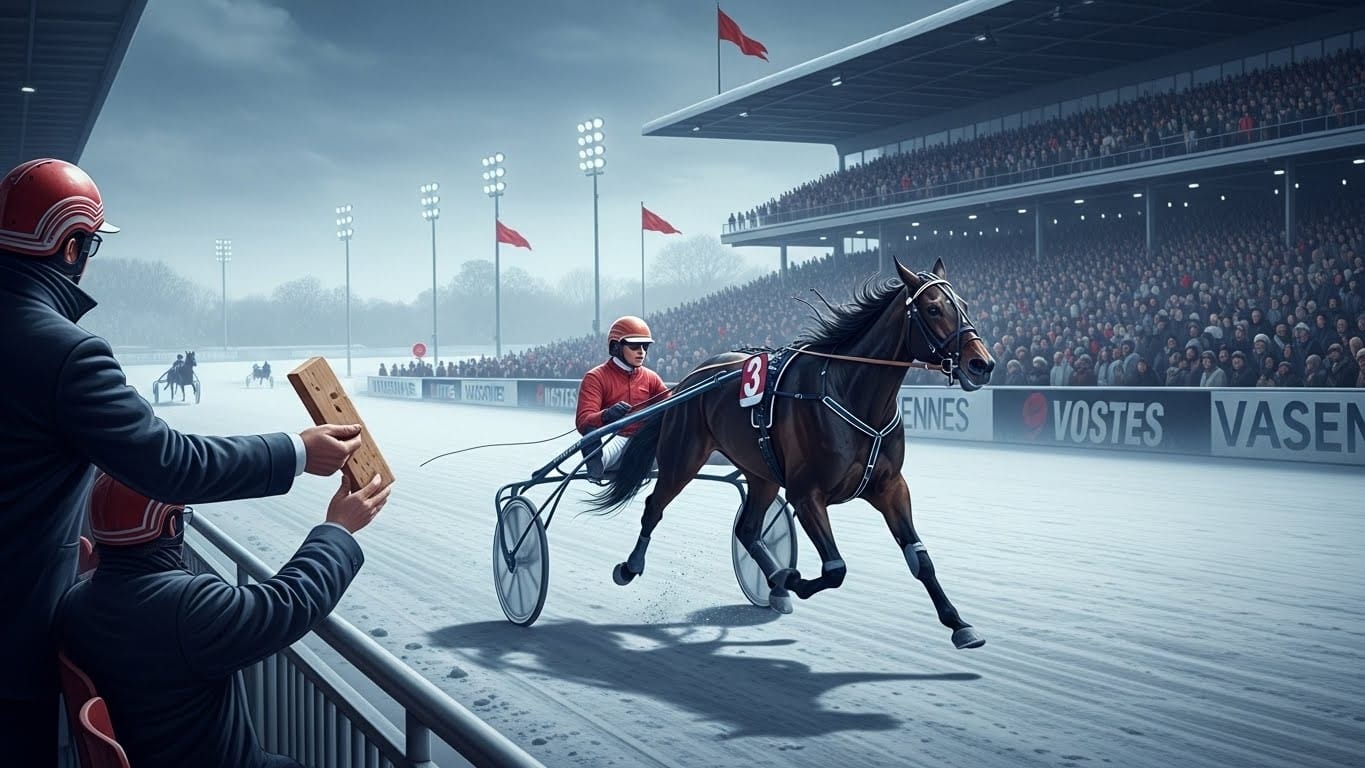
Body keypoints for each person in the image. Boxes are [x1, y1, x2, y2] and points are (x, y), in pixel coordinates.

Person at [0, 157, 366, 763]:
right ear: (70, 247)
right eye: (89, 244)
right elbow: (168, 462)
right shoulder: (64, 351)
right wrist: (298, 451)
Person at [59, 471, 389, 768]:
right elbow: (288, 602)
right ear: (171, 525)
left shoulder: (75, 603)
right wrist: (338, 529)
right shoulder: (184, 608)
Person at [575, 316, 668, 480]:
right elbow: (584, 421)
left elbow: (671, 405)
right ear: (616, 347)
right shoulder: (595, 377)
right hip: (614, 438)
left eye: (645, 346)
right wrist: (607, 415)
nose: (641, 351)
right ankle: (596, 466)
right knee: (591, 435)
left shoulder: (651, 378)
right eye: (634, 346)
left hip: (643, 441)